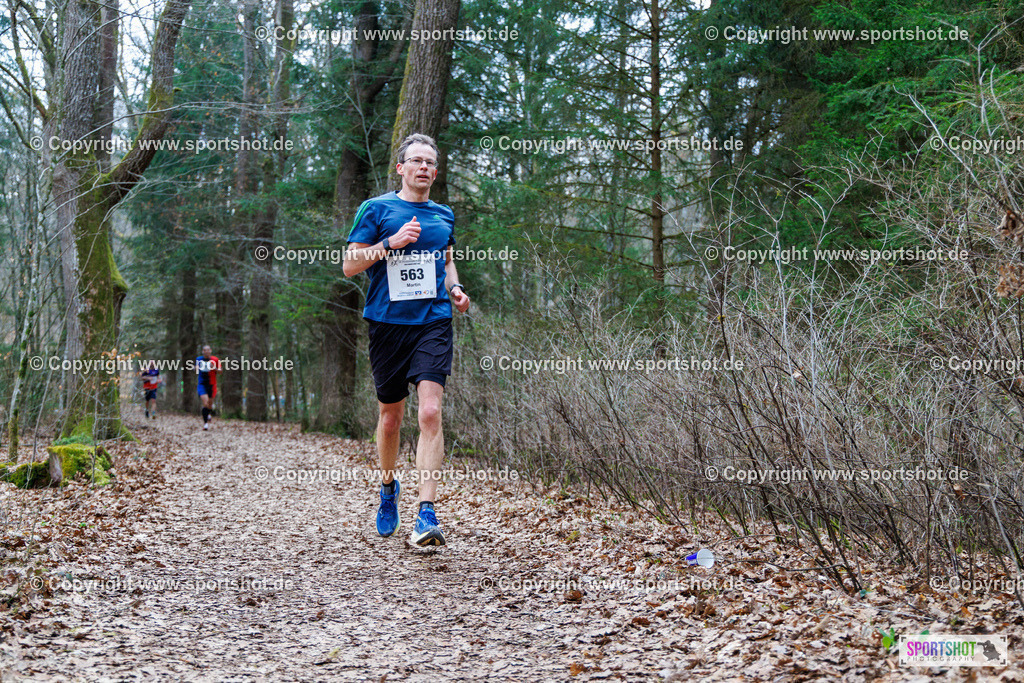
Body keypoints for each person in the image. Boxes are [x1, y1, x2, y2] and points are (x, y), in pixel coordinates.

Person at [343, 133, 471, 547]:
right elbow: (349, 265)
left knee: (430, 412)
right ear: (401, 168)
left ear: (435, 171)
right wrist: (389, 243)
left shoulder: (443, 215)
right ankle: (387, 488)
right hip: (387, 324)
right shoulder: (377, 209)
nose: (424, 168)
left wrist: (455, 289)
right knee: (391, 419)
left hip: (433, 322)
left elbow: (446, 263)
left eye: (430, 162)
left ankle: (426, 513)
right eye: (416, 160)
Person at [196, 345, 221, 431]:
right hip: (202, 384)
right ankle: (205, 424)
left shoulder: (215, 359)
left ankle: (208, 413)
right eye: (204, 350)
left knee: (210, 404)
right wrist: (196, 368)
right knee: (205, 402)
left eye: (208, 350)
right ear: (202, 351)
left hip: (212, 384)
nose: (206, 352)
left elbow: (220, 371)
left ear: (210, 351)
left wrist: (214, 367)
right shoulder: (199, 359)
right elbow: (195, 369)